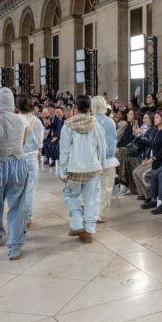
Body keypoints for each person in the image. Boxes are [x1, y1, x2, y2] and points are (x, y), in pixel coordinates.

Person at [0, 88, 31, 260]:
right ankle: (15, 248)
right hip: (19, 165)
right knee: (17, 205)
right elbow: (23, 142)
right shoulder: (24, 120)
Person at [58, 94, 107, 243]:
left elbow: (64, 150)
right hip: (93, 167)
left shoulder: (68, 126)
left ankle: (77, 222)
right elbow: (102, 148)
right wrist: (102, 164)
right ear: (89, 108)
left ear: (76, 108)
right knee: (91, 199)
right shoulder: (97, 125)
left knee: (71, 195)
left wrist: (62, 170)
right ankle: (89, 231)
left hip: (75, 168)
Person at [90, 95, 118, 225]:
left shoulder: (90, 121)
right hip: (108, 159)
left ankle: (92, 212)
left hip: (93, 159)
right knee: (106, 188)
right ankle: (102, 215)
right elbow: (113, 140)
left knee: (93, 188)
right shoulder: (110, 121)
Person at [19, 94, 44, 230]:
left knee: (17, 188)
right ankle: (28, 217)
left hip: (17, 157)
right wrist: (38, 156)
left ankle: (18, 215)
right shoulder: (37, 121)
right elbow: (40, 142)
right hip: (32, 156)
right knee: (30, 187)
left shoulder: (15, 120)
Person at [134, 110, 162, 202]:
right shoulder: (156, 131)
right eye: (154, 117)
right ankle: (145, 194)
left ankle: (150, 195)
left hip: (161, 160)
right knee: (135, 171)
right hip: (153, 159)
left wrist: (152, 159)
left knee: (141, 174)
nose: (154, 119)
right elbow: (151, 145)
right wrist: (146, 158)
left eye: (157, 117)